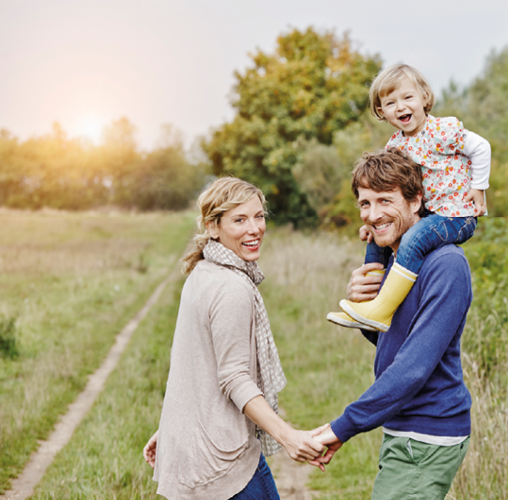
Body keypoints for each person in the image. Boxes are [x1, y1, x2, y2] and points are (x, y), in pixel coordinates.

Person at [142, 177, 330, 499]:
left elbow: (196, 363)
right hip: (224, 461)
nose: (254, 229)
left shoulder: (202, 272)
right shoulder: (232, 287)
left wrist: (174, 427)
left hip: (195, 449)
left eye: (259, 216)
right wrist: (288, 437)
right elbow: (233, 378)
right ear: (213, 227)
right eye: (239, 220)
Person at [316, 149, 473, 499]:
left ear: (416, 200)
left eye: (385, 200)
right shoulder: (395, 261)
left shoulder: (445, 264)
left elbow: (414, 367)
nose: (372, 215)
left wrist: (344, 426)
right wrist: (363, 310)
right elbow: (395, 342)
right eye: (365, 204)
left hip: (428, 433)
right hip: (404, 427)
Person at [327, 63, 490, 333]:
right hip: (428, 214)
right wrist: (376, 219)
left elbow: (481, 147)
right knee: (375, 240)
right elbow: (388, 191)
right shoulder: (395, 146)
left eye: (407, 98)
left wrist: (478, 186)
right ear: (381, 112)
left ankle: (381, 309)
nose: (400, 106)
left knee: (414, 239)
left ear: (424, 98)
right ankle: (369, 301)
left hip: (455, 215)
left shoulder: (443, 130)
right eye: (390, 102)